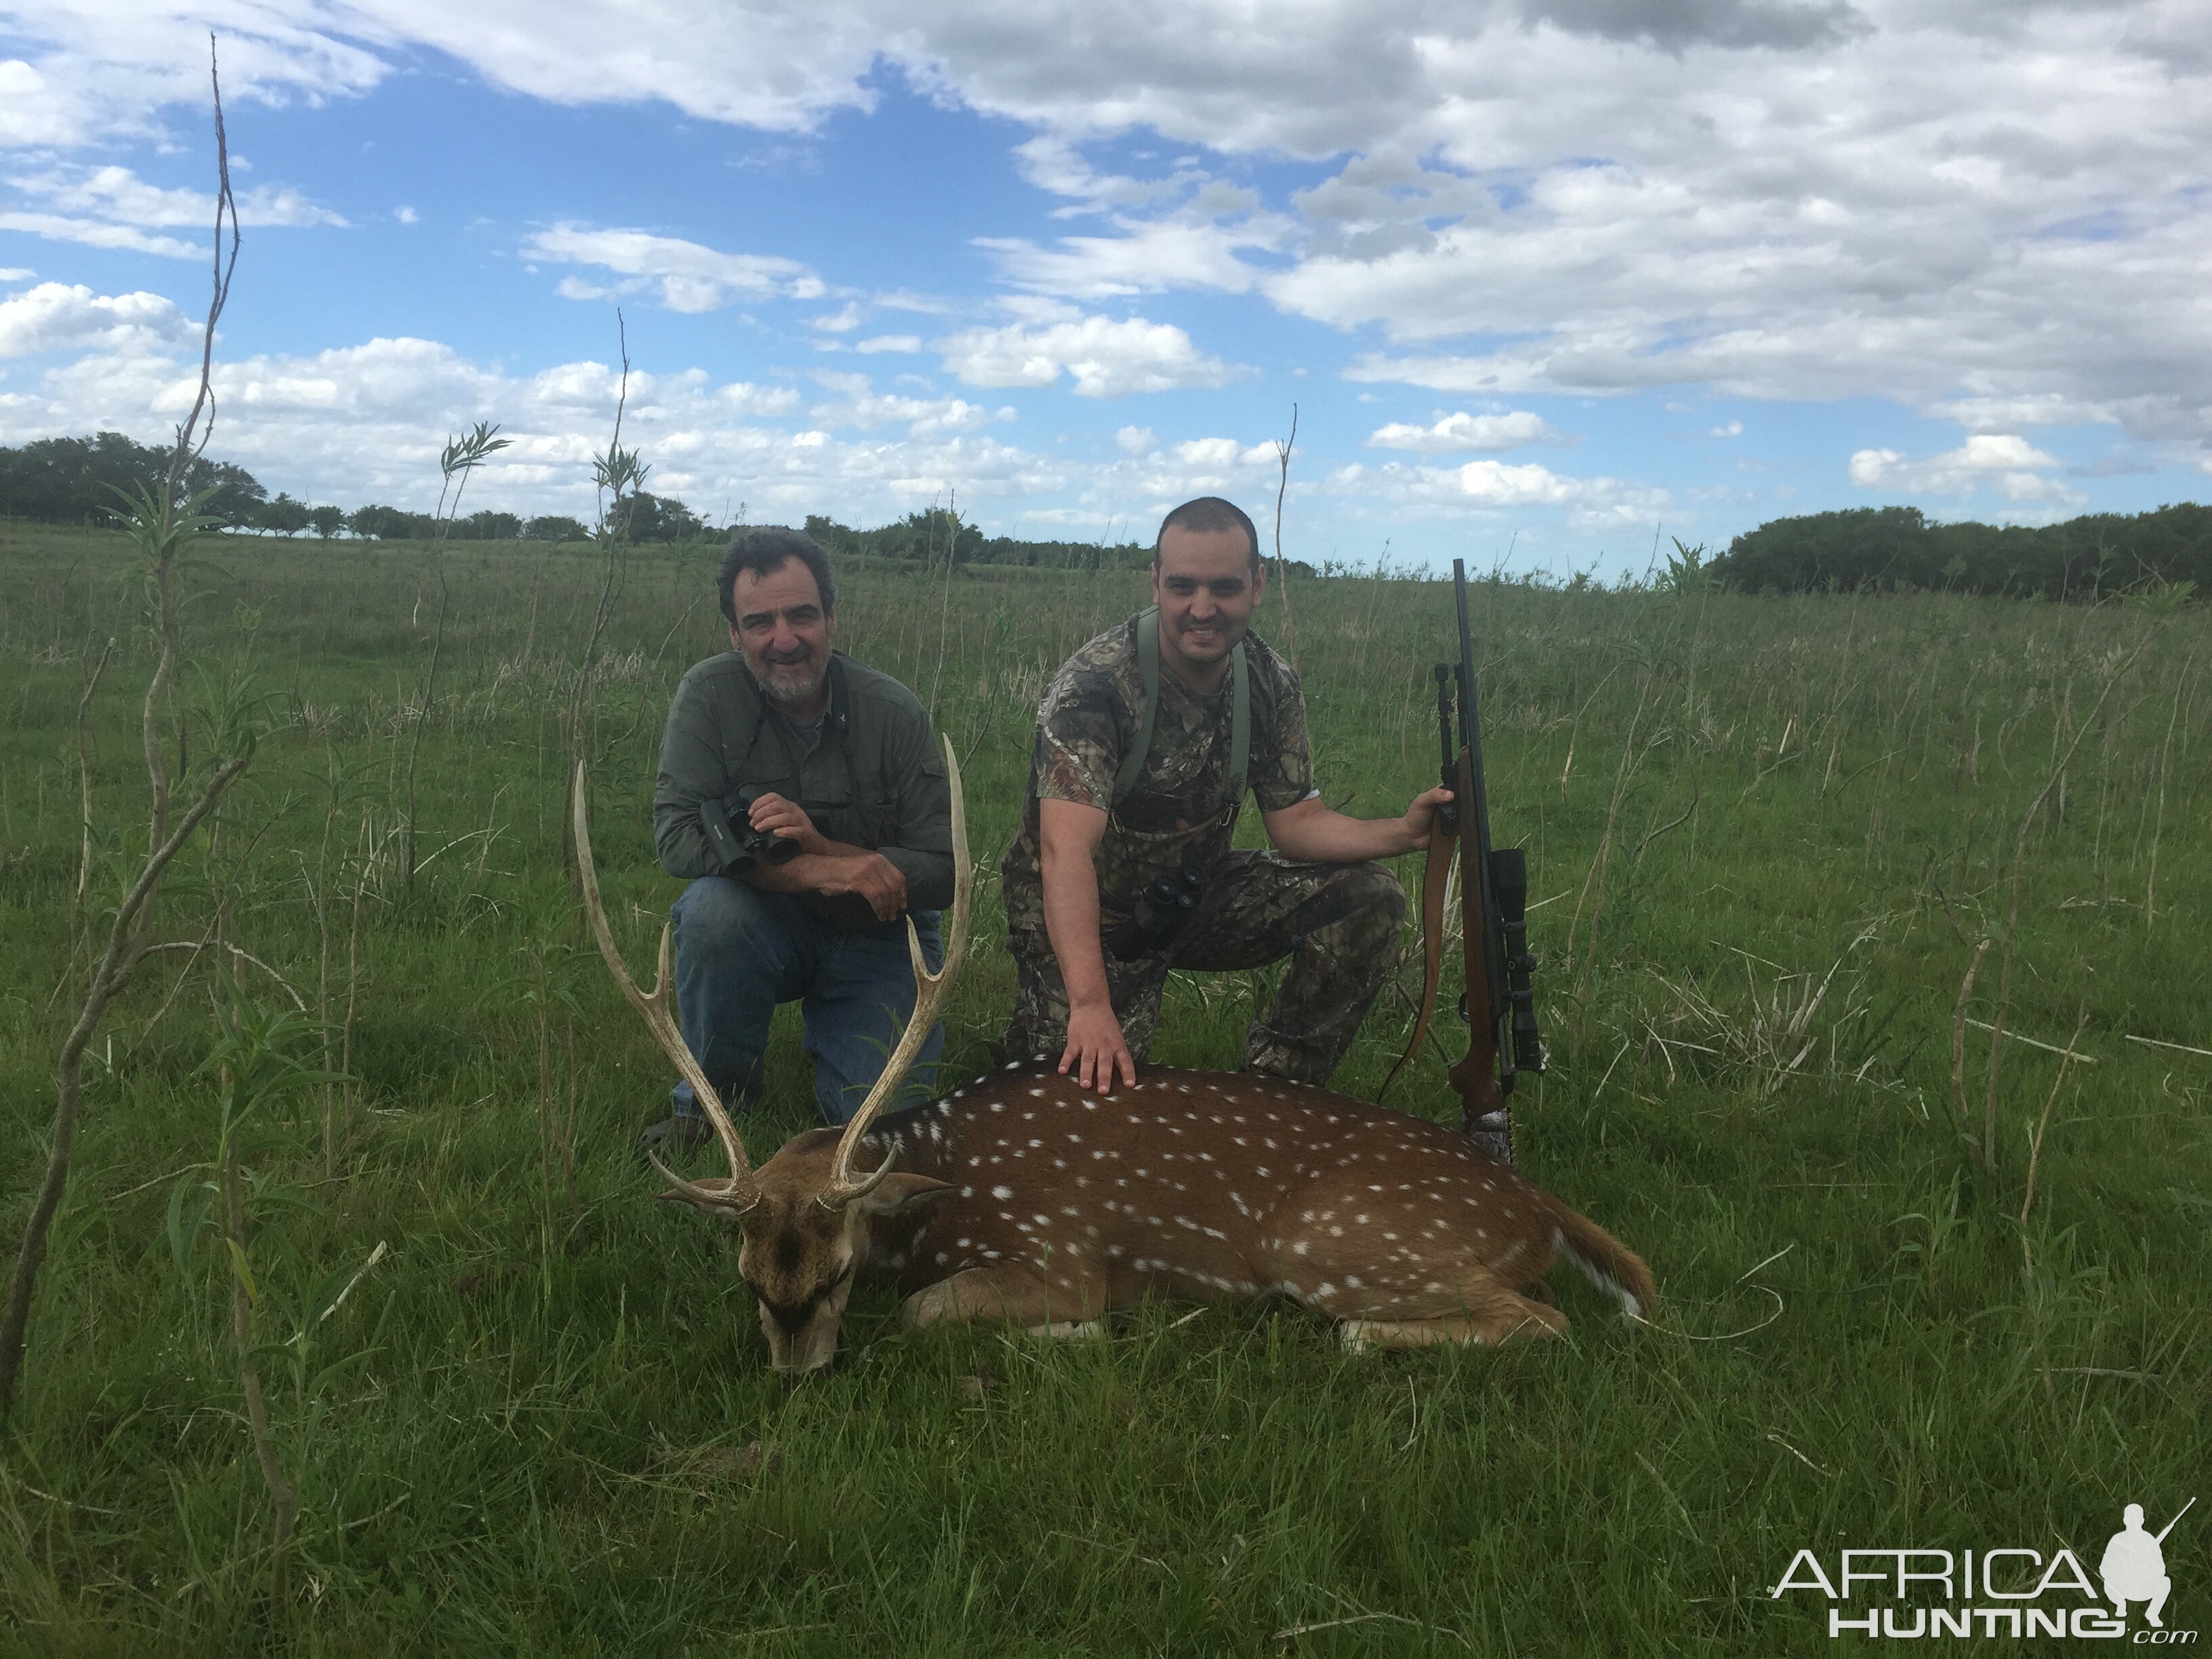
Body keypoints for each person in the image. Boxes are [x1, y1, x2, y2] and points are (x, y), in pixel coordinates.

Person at [1000, 495, 1452, 1093]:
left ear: (1258, 585)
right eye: (1183, 586)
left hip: (1187, 896)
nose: (1203, 609)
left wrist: (1403, 832)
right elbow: (1065, 854)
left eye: (1225, 588)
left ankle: (1277, 1091)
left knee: (1368, 896)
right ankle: (1042, 1024)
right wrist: (1089, 1004)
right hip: (1084, 909)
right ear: (1156, 582)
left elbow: (1295, 821)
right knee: (1085, 1101)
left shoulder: (1270, 680)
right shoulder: (1095, 685)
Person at [642, 526, 954, 1149]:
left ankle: (849, 1053)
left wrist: (830, 850)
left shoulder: (894, 712)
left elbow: (945, 871)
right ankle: (712, 1105)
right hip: (764, 924)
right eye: (760, 622)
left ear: (832, 619)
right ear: (734, 633)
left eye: (802, 616)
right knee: (711, 912)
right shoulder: (708, 696)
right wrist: (817, 869)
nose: (784, 640)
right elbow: (677, 838)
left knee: (886, 1139)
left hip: (878, 935)